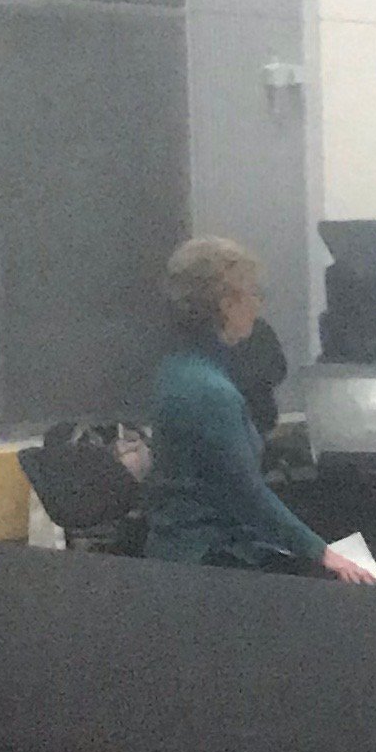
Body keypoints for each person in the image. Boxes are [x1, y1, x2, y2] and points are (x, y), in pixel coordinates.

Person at [143, 238, 340, 573]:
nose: (257, 304)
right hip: (208, 558)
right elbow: (246, 496)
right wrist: (322, 552)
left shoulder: (177, 369)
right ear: (225, 303)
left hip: (179, 551)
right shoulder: (210, 391)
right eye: (252, 292)